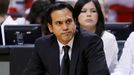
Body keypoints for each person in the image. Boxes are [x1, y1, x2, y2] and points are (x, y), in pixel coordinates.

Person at [23, 2, 110, 75]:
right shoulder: (42, 45)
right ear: (50, 28)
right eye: (59, 23)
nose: (65, 27)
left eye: (68, 21)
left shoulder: (91, 42)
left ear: (75, 22)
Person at [73, 0, 118, 73]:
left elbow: (99, 69)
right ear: (76, 16)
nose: (89, 14)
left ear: (99, 15)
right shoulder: (70, 37)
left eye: (93, 11)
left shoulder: (108, 38)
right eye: (83, 11)